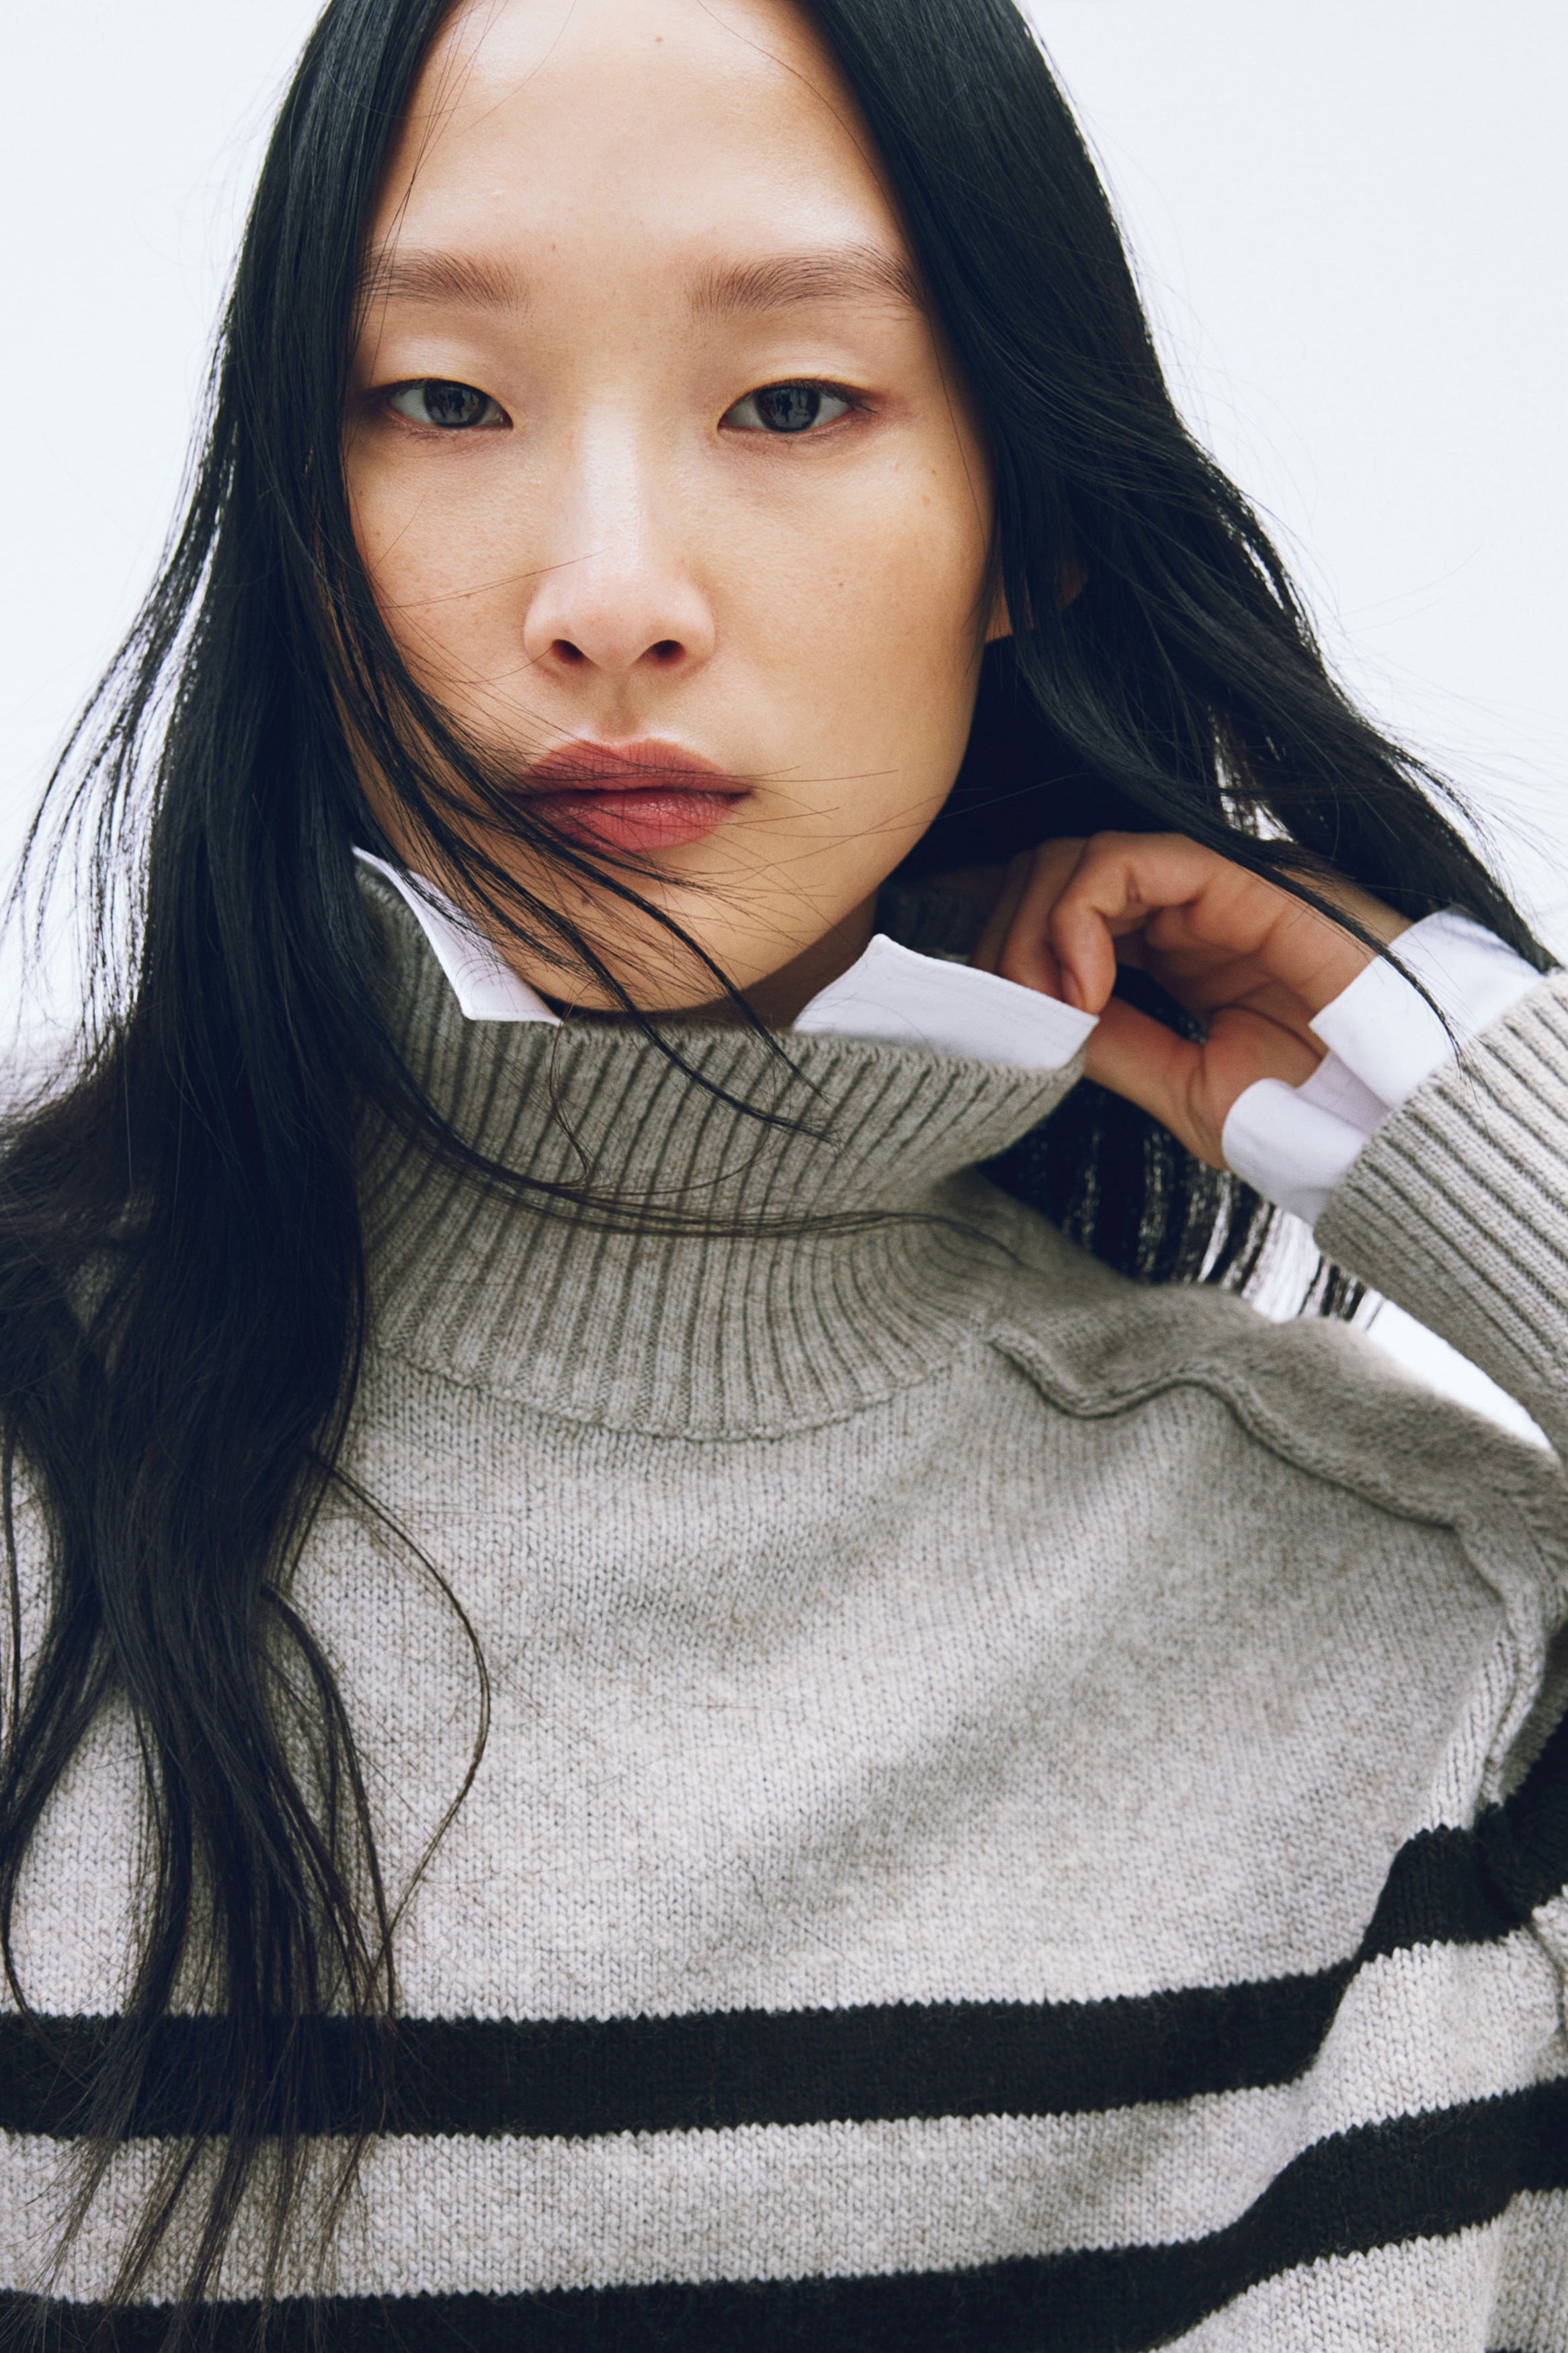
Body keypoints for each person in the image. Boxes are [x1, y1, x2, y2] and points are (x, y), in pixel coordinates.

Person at [0, 0, 1563, 2344]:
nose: (610, 596)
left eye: (797, 401)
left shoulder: (1434, 1639)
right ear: (296, 524)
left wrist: (1486, 1129)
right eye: (442, 399)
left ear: (1031, 518)